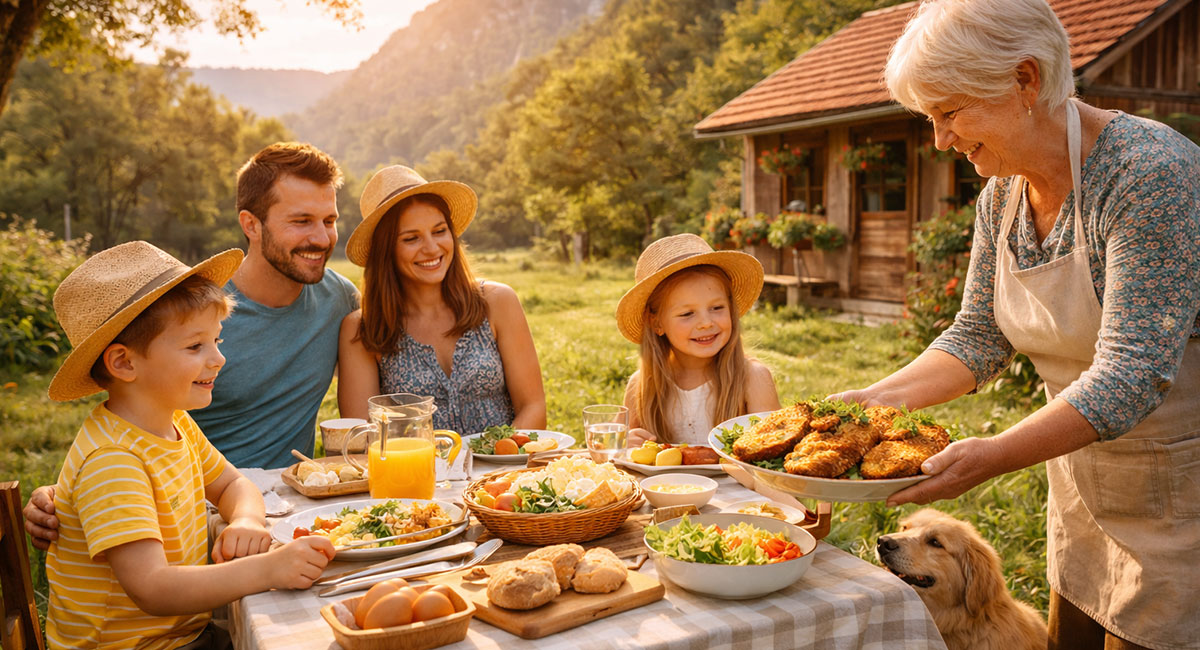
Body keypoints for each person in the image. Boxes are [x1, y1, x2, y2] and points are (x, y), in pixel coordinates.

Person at [834, 1, 1200, 648]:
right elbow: (978, 338)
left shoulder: (1152, 177)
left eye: (950, 112)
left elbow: (1130, 374)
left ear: (1025, 80)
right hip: (1082, 492)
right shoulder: (1001, 195)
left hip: (1180, 509)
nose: (941, 139)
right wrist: (868, 406)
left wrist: (992, 456)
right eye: (930, 119)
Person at [25, 141, 359, 549]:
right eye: (302, 221)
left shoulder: (338, 300)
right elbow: (125, 413)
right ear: (251, 224)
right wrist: (70, 490)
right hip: (183, 517)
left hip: (284, 507)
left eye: (329, 219)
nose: (322, 237)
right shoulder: (196, 315)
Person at [43, 241, 333, 650]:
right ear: (124, 363)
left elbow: (233, 486)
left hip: (183, 636)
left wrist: (247, 521)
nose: (218, 359)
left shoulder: (175, 422)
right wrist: (269, 570)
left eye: (216, 341)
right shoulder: (112, 460)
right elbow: (154, 588)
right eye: (195, 346)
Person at [337, 165, 546, 434]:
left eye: (439, 231)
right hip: (414, 474)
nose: (432, 248)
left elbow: (533, 407)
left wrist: (497, 460)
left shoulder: (497, 302)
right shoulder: (362, 329)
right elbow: (362, 438)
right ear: (385, 251)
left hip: (503, 470)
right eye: (411, 238)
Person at [617, 234, 780, 446]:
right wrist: (624, 444)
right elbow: (613, 459)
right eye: (687, 314)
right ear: (656, 323)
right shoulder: (641, 386)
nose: (705, 323)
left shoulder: (752, 378)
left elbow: (775, 460)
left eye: (717, 308)